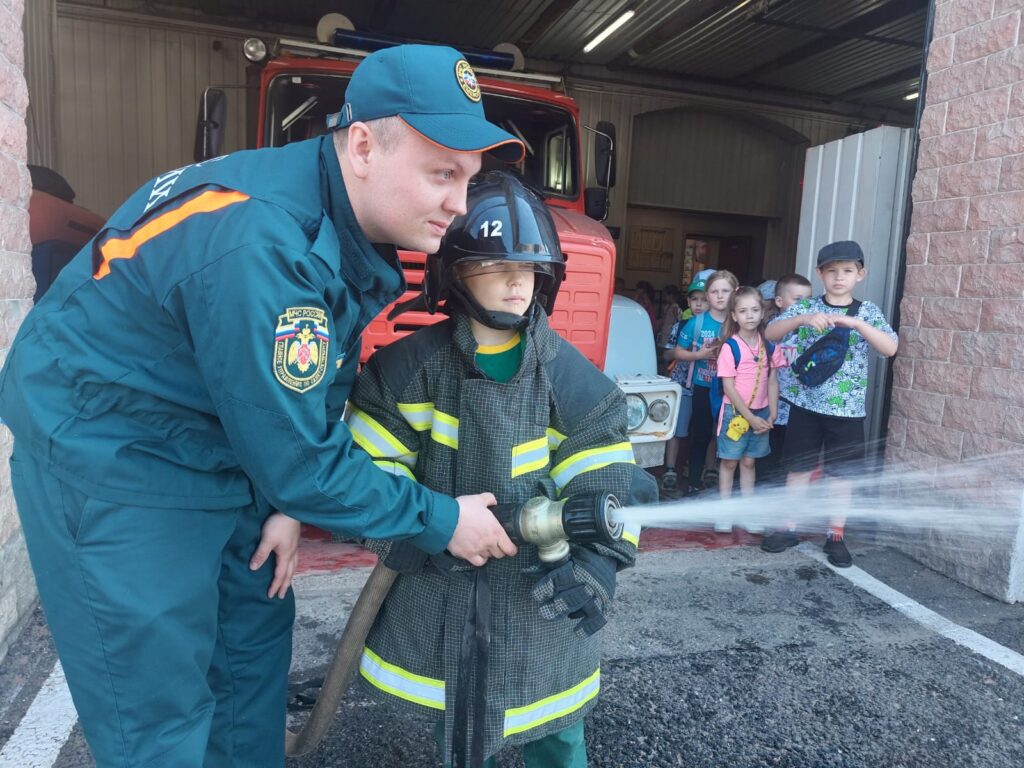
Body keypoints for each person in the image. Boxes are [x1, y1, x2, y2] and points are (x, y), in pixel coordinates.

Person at [0, 45, 526, 767]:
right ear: (365, 145)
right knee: (158, 708)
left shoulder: (335, 216)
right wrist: (441, 521)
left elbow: (311, 383)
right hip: (111, 449)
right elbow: (304, 459)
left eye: (468, 179)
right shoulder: (264, 242)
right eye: (442, 173)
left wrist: (283, 502)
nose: (460, 205)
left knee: (250, 656)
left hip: (217, 430)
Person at [348, 171, 657, 766]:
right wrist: (431, 526)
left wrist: (593, 571)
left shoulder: (577, 387)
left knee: (558, 737)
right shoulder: (406, 372)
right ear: (453, 275)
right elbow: (365, 476)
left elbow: (612, 490)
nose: (518, 284)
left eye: (530, 270)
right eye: (496, 269)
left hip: (540, 606)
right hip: (435, 596)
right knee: (461, 735)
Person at [761, 242, 897, 566]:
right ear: (820, 274)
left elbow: (890, 347)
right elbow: (771, 332)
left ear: (860, 275)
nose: (839, 277)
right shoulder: (806, 308)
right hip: (806, 406)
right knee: (798, 468)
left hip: (848, 413)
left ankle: (835, 534)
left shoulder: (867, 312)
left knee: (841, 476)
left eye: (848, 271)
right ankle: (789, 526)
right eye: (832, 271)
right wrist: (803, 319)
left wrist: (858, 326)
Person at [713, 287, 786, 532]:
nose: (750, 316)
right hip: (737, 414)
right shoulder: (730, 347)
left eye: (755, 310)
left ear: (762, 311)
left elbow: (773, 380)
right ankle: (724, 513)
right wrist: (751, 417)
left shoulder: (770, 346)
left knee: (748, 463)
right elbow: (728, 387)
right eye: (743, 311)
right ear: (734, 315)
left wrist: (772, 412)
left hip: (762, 413)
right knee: (729, 463)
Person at [668, 270, 738, 495]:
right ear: (707, 294)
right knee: (700, 435)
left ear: (735, 293)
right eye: (714, 291)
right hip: (703, 387)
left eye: (725, 291)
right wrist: (699, 356)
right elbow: (677, 352)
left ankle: (725, 486)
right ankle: (694, 483)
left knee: (728, 436)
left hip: (733, 390)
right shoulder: (696, 323)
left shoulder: (739, 322)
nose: (719, 296)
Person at [756, 273, 812, 485]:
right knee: (766, 454)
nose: (804, 305)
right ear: (779, 301)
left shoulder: (810, 331)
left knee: (791, 461)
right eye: (798, 300)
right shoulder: (769, 330)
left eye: (808, 300)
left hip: (798, 410)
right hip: (770, 406)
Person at [658, 274, 708, 493]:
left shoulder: (720, 327)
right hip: (682, 385)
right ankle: (670, 468)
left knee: (708, 431)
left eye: (704, 299)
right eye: (694, 299)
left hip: (707, 385)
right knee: (678, 429)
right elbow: (667, 355)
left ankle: (710, 469)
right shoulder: (682, 326)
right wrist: (686, 353)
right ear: (688, 302)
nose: (699, 304)